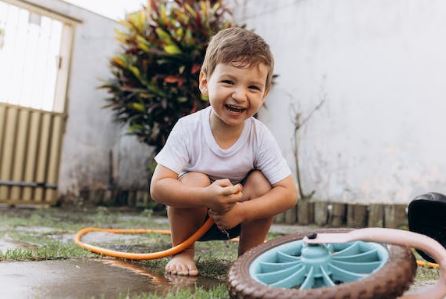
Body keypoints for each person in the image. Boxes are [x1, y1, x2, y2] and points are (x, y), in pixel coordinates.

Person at [150, 27, 298, 276]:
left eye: (253, 87)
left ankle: (247, 257)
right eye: (229, 82)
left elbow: (289, 194)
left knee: (262, 183)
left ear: (264, 94)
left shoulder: (259, 135)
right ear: (205, 83)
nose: (240, 96)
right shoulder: (188, 128)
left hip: (238, 217)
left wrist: (241, 211)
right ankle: (183, 253)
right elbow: (158, 187)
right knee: (194, 179)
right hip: (195, 218)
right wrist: (205, 196)